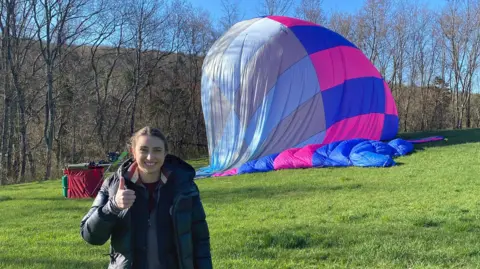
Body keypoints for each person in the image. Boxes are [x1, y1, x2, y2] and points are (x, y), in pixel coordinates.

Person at [80, 126, 212, 269]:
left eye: (157, 150)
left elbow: (201, 241)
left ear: (165, 153)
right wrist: (113, 207)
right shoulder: (113, 185)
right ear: (133, 152)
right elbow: (90, 236)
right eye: (143, 150)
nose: (150, 157)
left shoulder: (184, 187)